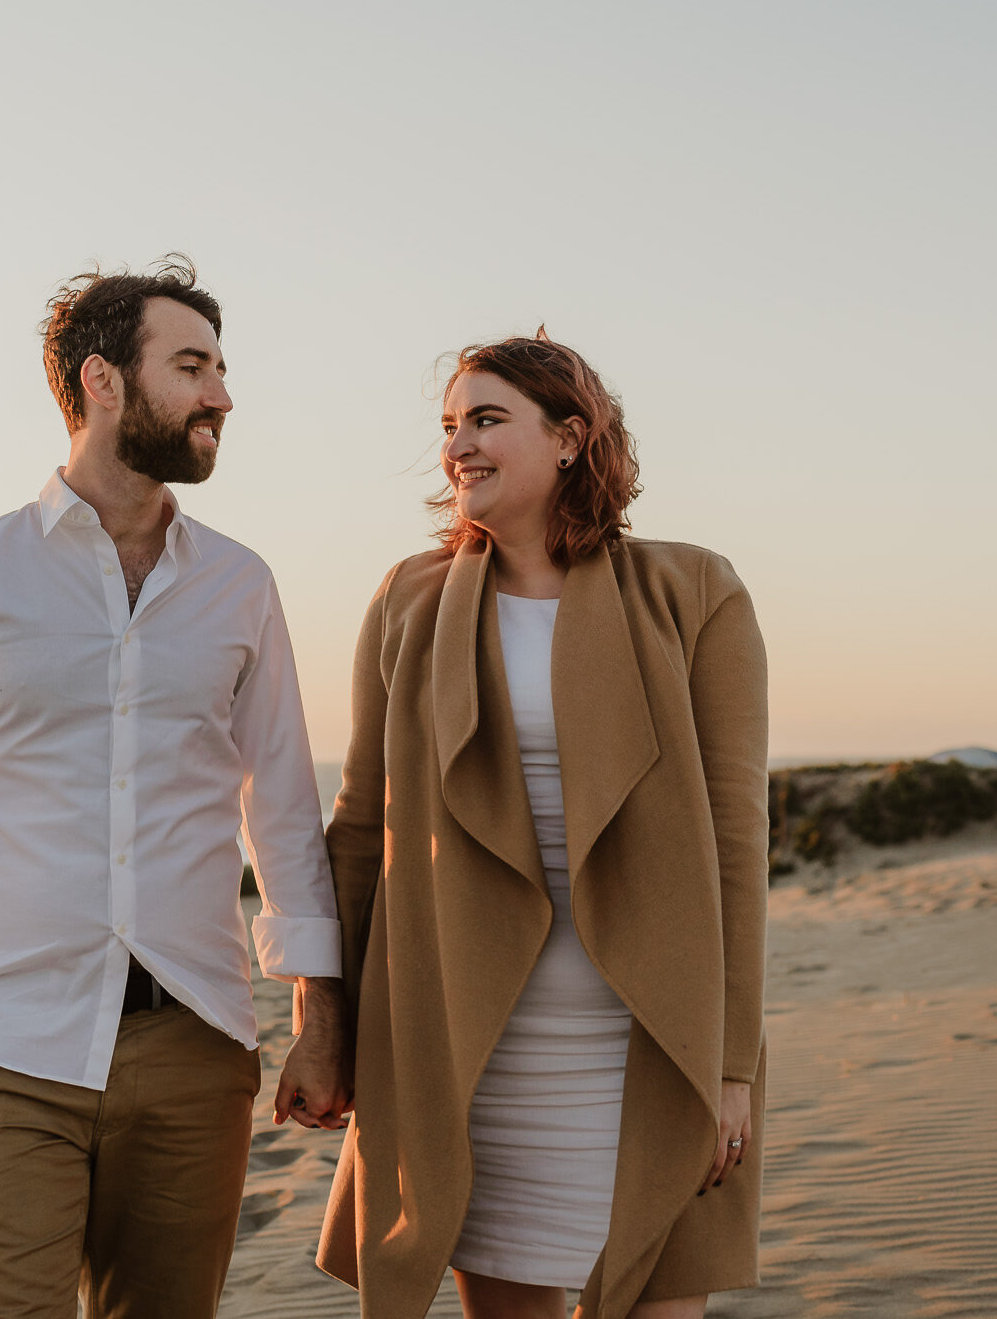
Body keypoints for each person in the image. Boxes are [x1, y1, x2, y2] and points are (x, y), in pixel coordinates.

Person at [0, 258, 353, 1319]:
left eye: (220, 368)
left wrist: (319, 1014)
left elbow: (285, 811)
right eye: (192, 366)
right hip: (3, 1045)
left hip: (195, 1044)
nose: (221, 396)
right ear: (103, 381)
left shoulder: (240, 584)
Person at [316, 331, 769, 1319]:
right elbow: (359, 830)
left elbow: (738, 846)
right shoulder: (409, 600)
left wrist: (730, 1067)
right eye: (448, 426)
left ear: (570, 437)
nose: (457, 446)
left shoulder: (694, 591)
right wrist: (329, 1029)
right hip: (473, 1049)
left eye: (485, 419)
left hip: (645, 1043)